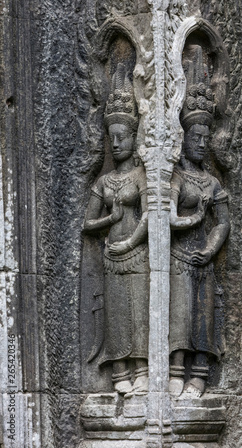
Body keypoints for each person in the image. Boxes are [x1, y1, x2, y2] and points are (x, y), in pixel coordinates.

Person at [169, 46, 230, 398]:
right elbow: (168, 217)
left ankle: (200, 372)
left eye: (206, 138)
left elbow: (223, 222)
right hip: (178, 256)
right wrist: (194, 217)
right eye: (196, 137)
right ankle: (176, 368)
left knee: (202, 316)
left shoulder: (212, 182)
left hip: (201, 258)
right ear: (184, 138)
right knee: (179, 315)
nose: (202, 143)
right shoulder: (176, 177)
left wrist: (209, 249)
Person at [84, 64, 149, 396]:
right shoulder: (103, 181)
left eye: (123, 136)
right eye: (113, 138)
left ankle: (143, 369)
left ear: (134, 136)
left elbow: (152, 214)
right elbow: (87, 224)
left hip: (137, 253)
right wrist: (110, 220)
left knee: (140, 310)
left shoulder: (142, 176)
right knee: (117, 313)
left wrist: (130, 242)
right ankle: (120, 370)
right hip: (112, 255)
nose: (117, 143)